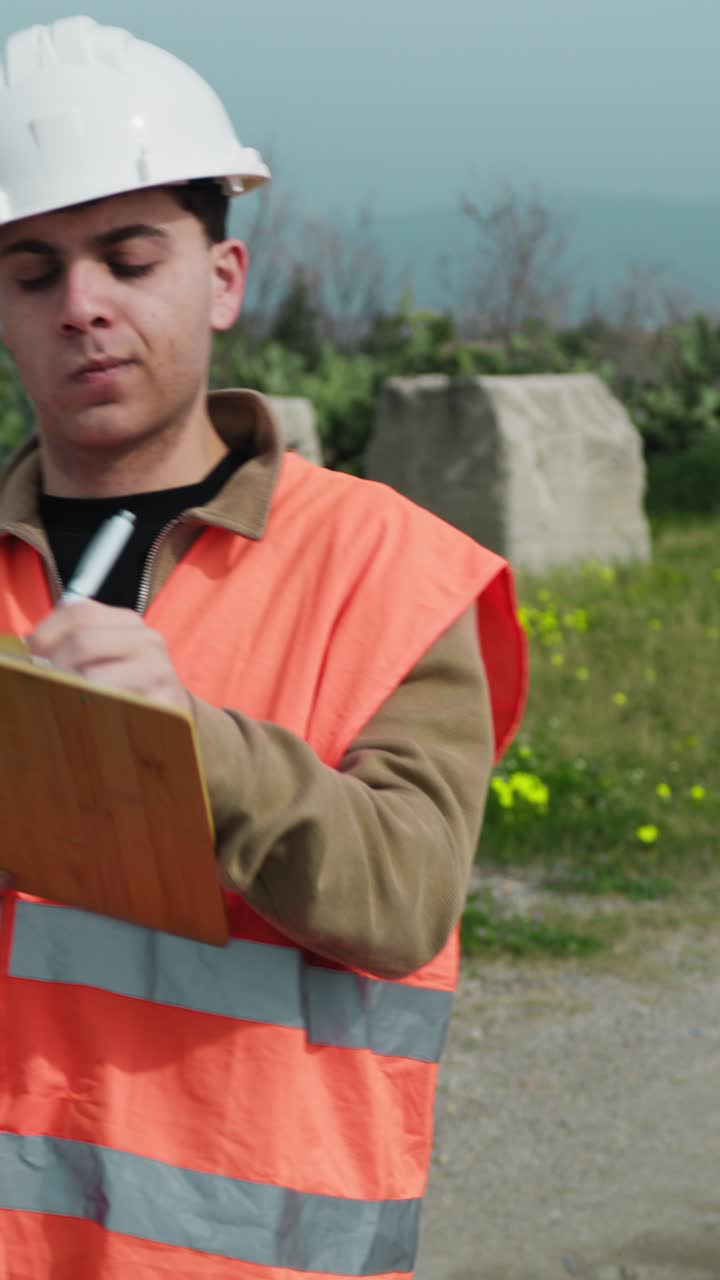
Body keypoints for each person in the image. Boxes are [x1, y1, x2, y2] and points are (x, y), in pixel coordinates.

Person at [0, 15, 527, 1278]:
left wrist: (194, 750)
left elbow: (403, 897)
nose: (84, 307)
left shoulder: (389, 570)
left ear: (224, 278)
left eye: (130, 258)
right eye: (33, 272)